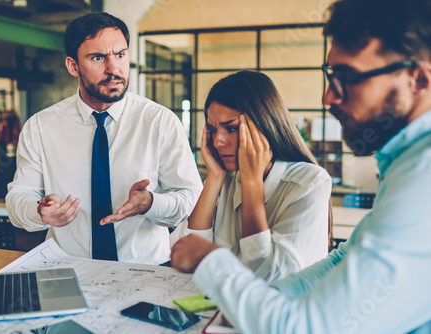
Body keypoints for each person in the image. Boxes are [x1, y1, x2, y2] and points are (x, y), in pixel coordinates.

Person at [170, 0, 431, 332]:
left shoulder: (423, 176)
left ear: (419, 80)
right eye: (331, 75)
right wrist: (266, 298)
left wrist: (211, 262)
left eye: (347, 77)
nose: (328, 98)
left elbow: (300, 328)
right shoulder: (404, 163)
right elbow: (341, 260)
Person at [6, 12, 202, 264]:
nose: (114, 68)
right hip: (67, 273)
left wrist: (151, 203)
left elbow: (190, 198)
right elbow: (17, 198)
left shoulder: (160, 121)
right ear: (73, 66)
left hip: (144, 275)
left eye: (120, 54)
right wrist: (38, 211)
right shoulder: (40, 127)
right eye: (98, 58)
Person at [169, 71, 332, 281]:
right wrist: (215, 177)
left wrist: (252, 182)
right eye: (212, 129)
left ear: (265, 126)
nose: (218, 141)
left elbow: (267, 278)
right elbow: (182, 253)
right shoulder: (226, 179)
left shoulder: (309, 183)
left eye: (231, 128)